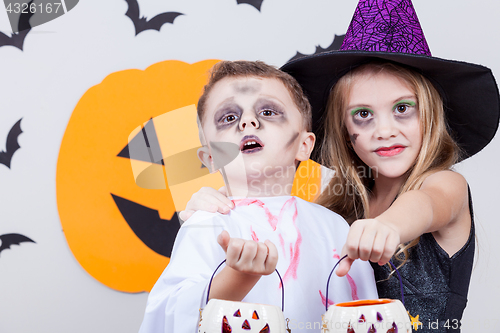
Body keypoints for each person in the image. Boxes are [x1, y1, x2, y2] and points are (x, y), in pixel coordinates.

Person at [179, 1, 500, 332]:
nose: (384, 130)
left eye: (403, 108)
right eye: (363, 114)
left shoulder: (445, 186)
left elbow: (425, 205)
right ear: (345, 131)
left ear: (431, 114)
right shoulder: (336, 212)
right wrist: (225, 206)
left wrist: (387, 226)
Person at [138, 60, 378, 333]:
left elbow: (368, 314)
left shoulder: (334, 228)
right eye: (228, 117)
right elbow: (168, 318)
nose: (247, 122)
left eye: (268, 111)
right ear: (211, 157)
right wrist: (236, 277)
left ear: (304, 145)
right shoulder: (206, 226)